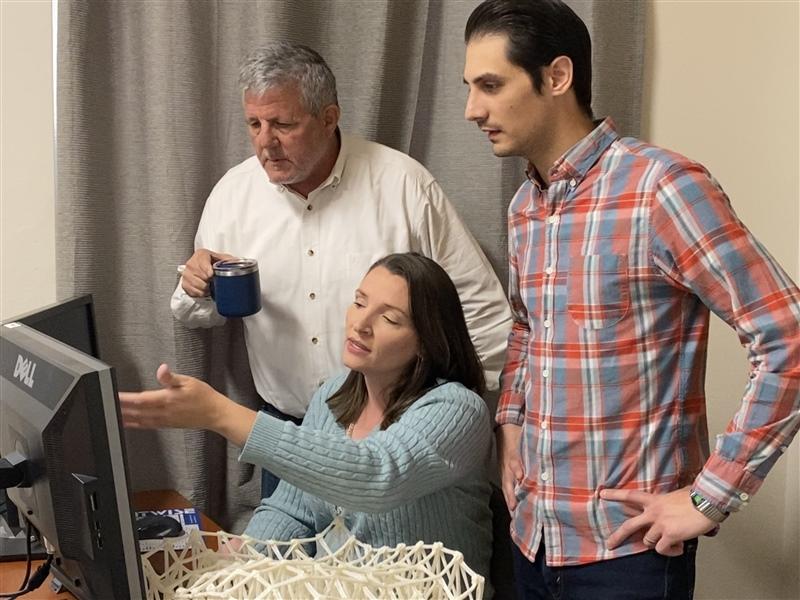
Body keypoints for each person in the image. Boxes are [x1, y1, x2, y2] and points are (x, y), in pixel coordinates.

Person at [462, 1, 800, 598]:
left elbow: (788, 337)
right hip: (531, 538)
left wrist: (711, 496)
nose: (473, 110)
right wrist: (510, 421)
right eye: (471, 88)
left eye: (491, 85)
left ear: (557, 77)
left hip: (626, 556)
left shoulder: (662, 188)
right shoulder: (525, 209)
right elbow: (526, 327)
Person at [171, 41, 512, 499]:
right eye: (254, 124)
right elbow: (196, 314)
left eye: (283, 125)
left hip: (396, 439)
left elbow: (483, 313)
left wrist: (484, 424)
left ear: (329, 118)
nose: (265, 143)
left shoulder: (403, 186)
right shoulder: (233, 195)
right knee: (280, 560)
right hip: (286, 434)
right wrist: (197, 288)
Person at [122, 253, 494, 583]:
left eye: (390, 319)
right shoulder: (333, 394)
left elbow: (376, 476)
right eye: (359, 303)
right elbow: (291, 510)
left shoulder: (457, 410)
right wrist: (235, 570)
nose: (360, 324)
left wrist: (220, 414)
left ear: (428, 342)